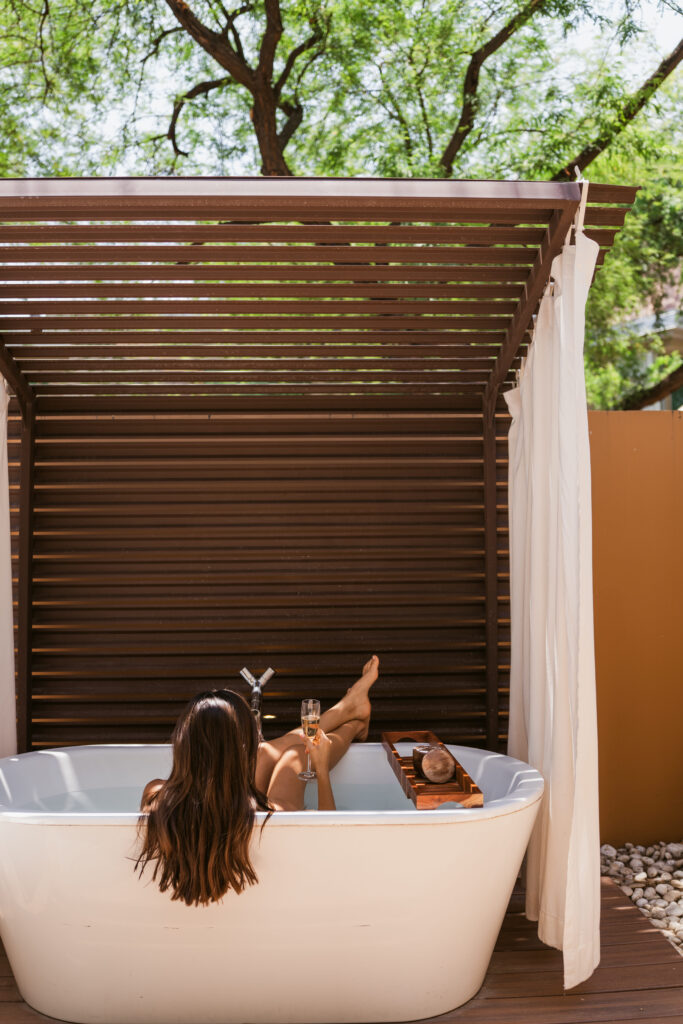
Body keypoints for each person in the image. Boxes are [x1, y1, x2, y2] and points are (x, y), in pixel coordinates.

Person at [135, 655, 379, 906]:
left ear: (184, 745)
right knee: (293, 756)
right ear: (239, 754)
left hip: (233, 803)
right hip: (250, 810)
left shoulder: (155, 793)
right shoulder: (266, 812)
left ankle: (349, 708)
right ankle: (354, 725)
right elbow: (329, 840)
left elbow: (208, 795)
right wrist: (321, 768)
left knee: (266, 753)